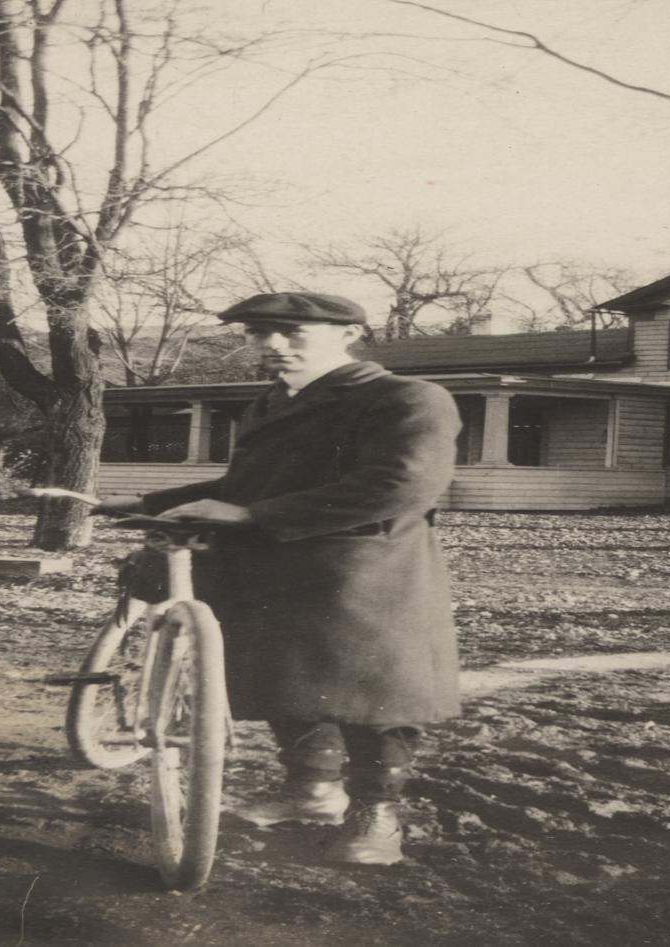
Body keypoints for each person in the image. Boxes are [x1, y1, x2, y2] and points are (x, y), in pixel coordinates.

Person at [96, 291, 462, 866]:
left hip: (364, 571)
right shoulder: (272, 402)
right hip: (278, 564)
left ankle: (377, 813)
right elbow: (248, 483)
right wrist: (151, 502)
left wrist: (251, 516)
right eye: (259, 333)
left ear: (349, 334)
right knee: (287, 680)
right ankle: (311, 790)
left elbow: (401, 486)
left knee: (374, 695)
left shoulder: (406, 397)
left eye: (291, 333)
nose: (271, 345)